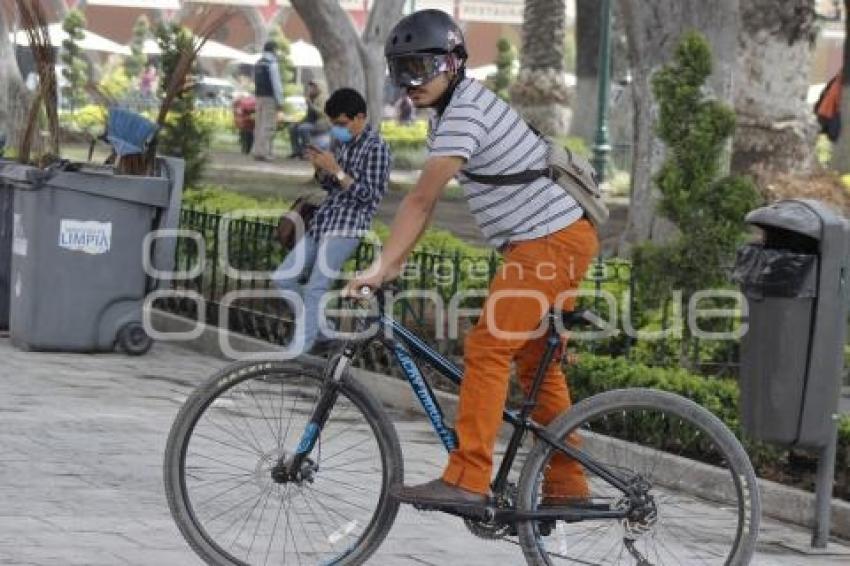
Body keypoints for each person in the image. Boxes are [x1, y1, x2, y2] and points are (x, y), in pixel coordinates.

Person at [347, 10, 598, 508]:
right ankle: (568, 488)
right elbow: (426, 206)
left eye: (421, 67)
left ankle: (468, 478)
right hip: (550, 239)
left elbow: (421, 199)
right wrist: (392, 262)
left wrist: (381, 268)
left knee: (486, 348)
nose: (409, 82)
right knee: (535, 364)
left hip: (550, 241)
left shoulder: (464, 111)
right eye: (400, 69)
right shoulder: (450, 111)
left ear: (454, 63)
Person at [273, 88, 391, 354]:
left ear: (360, 117)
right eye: (334, 124)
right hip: (324, 220)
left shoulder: (377, 148)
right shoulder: (342, 143)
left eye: (342, 124)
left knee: (316, 287)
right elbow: (331, 186)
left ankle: (298, 352)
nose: (338, 130)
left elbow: (369, 196)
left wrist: (336, 170)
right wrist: (320, 167)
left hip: (348, 225)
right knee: (283, 278)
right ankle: (324, 331)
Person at [253, 41, 284, 161]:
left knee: (259, 124)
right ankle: (264, 152)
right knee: (268, 125)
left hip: (259, 96)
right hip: (270, 97)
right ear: (274, 50)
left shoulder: (259, 63)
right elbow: (276, 84)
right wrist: (280, 101)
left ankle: (257, 150)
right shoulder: (272, 63)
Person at [289, 81, 327, 158]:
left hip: (320, 123)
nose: (311, 89)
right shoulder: (310, 97)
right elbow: (306, 113)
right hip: (309, 121)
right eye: (311, 87)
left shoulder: (323, 98)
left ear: (319, 88)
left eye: (313, 87)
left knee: (303, 128)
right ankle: (296, 151)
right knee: (292, 127)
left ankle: (308, 152)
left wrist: (311, 105)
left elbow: (322, 113)